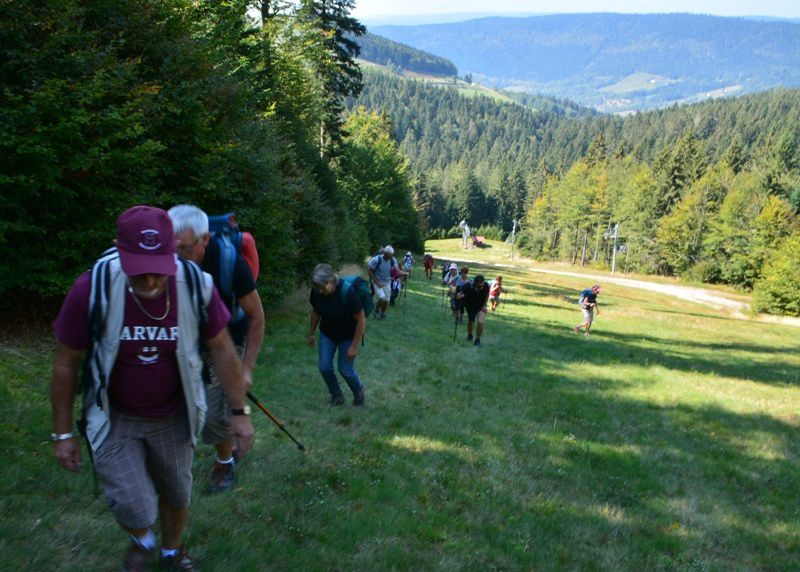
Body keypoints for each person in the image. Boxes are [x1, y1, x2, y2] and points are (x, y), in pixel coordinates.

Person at [50, 205, 254, 571]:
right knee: (133, 503)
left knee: (177, 493)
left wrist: (239, 413)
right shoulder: (92, 287)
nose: (148, 283)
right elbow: (66, 363)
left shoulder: (194, 285)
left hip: (174, 413)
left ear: (173, 248)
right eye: (138, 272)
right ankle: (142, 537)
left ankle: (172, 552)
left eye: (157, 271)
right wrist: (62, 433)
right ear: (118, 249)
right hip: (115, 416)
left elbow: (223, 348)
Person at [168, 205, 265, 494]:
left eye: (186, 250)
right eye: (174, 250)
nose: (178, 258)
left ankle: (225, 462)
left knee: (212, 414)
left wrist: (246, 368)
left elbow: (257, 317)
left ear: (205, 240)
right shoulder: (165, 257)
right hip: (181, 336)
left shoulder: (228, 262)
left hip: (224, 340)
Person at [308, 264, 366, 406]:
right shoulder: (316, 292)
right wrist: (311, 334)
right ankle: (337, 395)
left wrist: (354, 346)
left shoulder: (347, 292)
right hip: (327, 333)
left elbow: (361, 319)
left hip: (347, 336)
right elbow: (316, 312)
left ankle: (358, 390)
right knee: (324, 367)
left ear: (332, 280)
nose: (320, 291)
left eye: (323, 287)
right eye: (318, 288)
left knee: (345, 370)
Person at [367, 245, 407, 320]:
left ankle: (382, 314)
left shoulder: (392, 259)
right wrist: (377, 282)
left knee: (387, 300)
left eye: (391, 255)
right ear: (385, 253)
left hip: (387, 282)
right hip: (377, 281)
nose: (390, 257)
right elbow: (369, 270)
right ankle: (376, 310)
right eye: (389, 256)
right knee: (382, 298)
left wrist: (403, 273)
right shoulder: (377, 259)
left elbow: (397, 270)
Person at [457, 274, 490, 346]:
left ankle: (477, 339)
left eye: (482, 285)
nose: (481, 287)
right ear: (474, 283)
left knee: (480, 322)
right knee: (471, 321)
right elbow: (461, 294)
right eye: (479, 286)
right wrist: (459, 296)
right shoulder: (467, 286)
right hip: (470, 306)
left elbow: (487, 294)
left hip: (481, 306)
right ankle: (470, 334)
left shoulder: (486, 285)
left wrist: (485, 305)